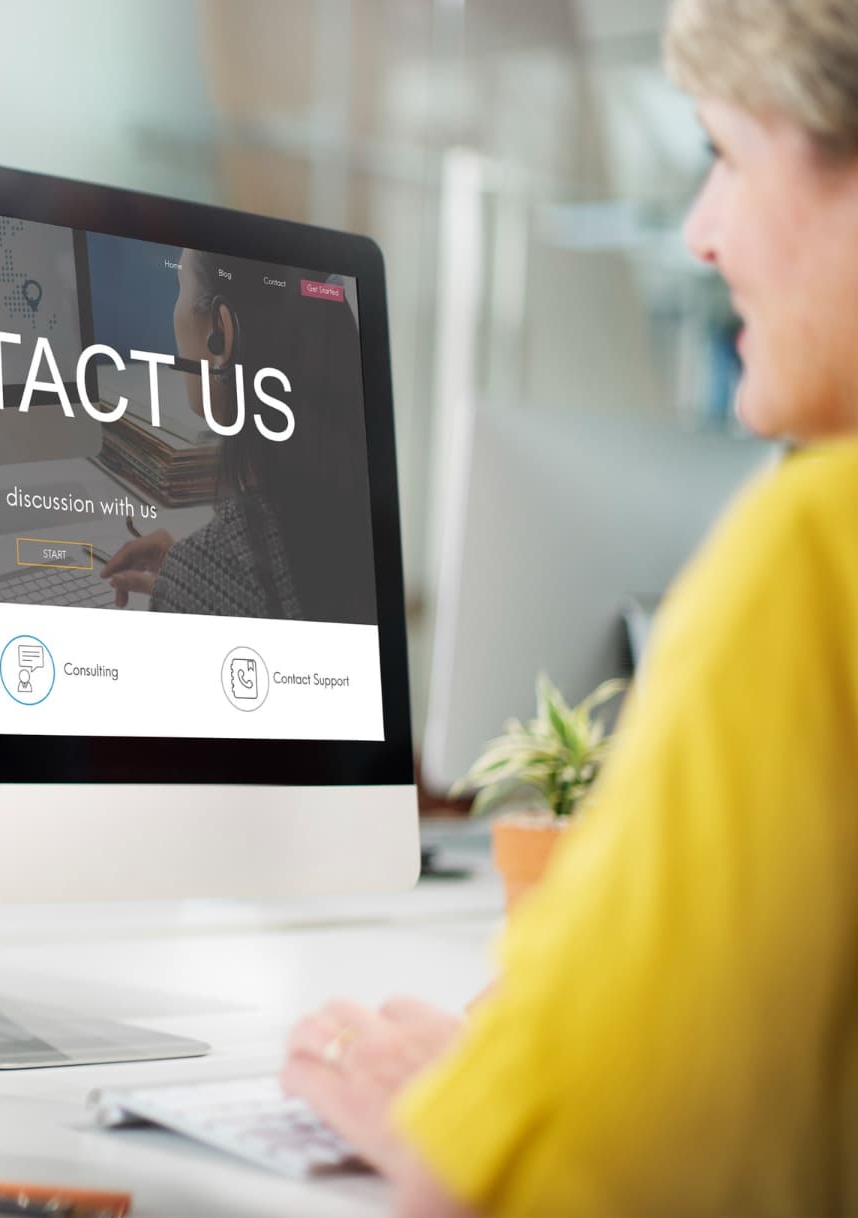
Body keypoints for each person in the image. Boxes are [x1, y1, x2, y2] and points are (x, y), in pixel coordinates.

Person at [280, 1, 858, 1214]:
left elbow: (557, 1181)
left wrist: (450, 1110)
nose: (701, 234)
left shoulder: (817, 548)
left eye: (727, 156)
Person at [99, 248, 378, 625]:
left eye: (179, 286)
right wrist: (201, 574)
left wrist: (199, 581)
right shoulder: (360, 508)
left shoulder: (210, 573)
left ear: (221, 334)